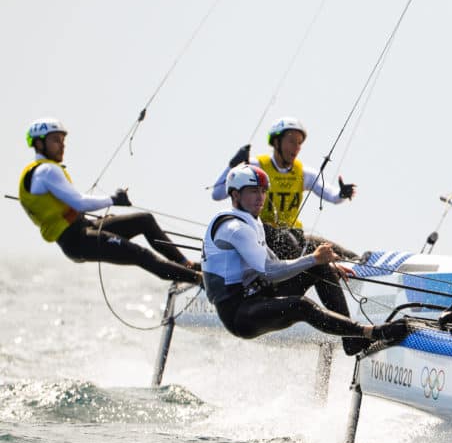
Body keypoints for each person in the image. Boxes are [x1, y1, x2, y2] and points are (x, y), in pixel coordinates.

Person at [202, 164, 408, 348]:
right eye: (253, 191)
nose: (260, 197)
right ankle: (368, 332)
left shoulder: (251, 221)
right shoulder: (235, 228)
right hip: (240, 315)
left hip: (257, 294)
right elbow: (270, 271)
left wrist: (322, 265)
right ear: (235, 195)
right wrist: (314, 258)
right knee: (301, 305)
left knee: (317, 267)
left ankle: (351, 340)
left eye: (263, 191)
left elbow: (273, 261)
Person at [18, 118, 201, 284]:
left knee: (144, 220)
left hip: (84, 227)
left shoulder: (41, 171)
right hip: (76, 240)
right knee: (140, 254)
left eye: (63, 140)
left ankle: (187, 265)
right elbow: (79, 203)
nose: (62, 145)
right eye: (56, 140)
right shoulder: (46, 171)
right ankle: (200, 280)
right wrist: (113, 199)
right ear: (39, 143)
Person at [210, 117, 357, 321]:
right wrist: (232, 165)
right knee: (293, 242)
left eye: (299, 142)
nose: (296, 147)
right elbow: (217, 194)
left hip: (293, 236)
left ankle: (357, 266)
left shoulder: (302, 172)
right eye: (291, 140)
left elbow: (331, 196)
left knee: (333, 248)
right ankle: (326, 269)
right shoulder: (255, 167)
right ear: (276, 142)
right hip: (265, 238)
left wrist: (342, 194)